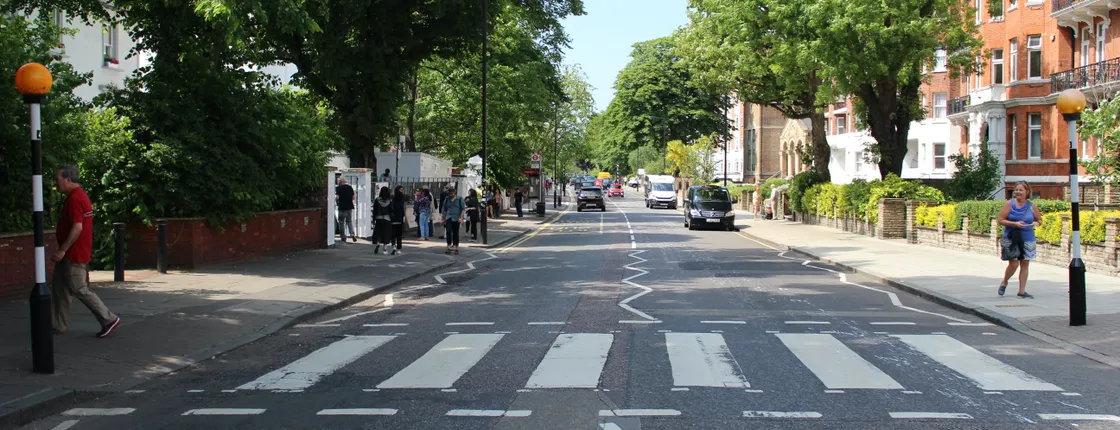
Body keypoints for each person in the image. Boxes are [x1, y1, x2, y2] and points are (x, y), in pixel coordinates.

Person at [51, 166, 120, 338]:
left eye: (57, 179)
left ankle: (108, 319)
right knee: (60, 288)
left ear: (68, 180)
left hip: (74, 254)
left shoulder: (75, 198)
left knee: (79, 288)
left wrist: (62, 249)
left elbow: (77, 227)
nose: (55, 183)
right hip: (71, 253)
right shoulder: (76, 196)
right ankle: (58, 325)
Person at [998, 181, 1043, 299]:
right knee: (1013, 264)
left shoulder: (1032, 206)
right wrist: (1014, 223)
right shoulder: (1009, 204)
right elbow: (1001, 220)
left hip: (1028, 238)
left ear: (1027, 192)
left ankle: (1022, 291)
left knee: (1025, 263)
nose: (1018, 192)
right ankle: (1005, 281)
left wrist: (1035, 223)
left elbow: (1039, 220)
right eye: (1016, 190)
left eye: (1020, 190)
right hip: (1011, 237)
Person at [442, 188, 466, 254]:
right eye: (449, 193)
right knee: (448, 231)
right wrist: (443, 218)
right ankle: (449, 245)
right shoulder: (447, 199)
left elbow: (463, 209)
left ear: (455, 192)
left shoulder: (459, 199)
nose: (450, 194)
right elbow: (444, 209)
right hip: (449, 217)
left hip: (457, 217)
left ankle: (456, 245)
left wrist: (461, 218)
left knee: (455, 232)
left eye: (452, 193)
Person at [372, 186, 393, 255]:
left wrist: (373, 218)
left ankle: (378, 243)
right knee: (386, 234)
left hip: (378, 218)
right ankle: (385, 249)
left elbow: (374, 210)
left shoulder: (377, 200)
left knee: (378, 232)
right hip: (387, 219)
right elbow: (391, 211)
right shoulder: (390, 201)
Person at [335, 176, 356, 242]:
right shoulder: (350, 187)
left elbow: (337, 197)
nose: (337, 182)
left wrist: (337, 202)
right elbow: (353, 198)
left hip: (342, 207)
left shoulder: (338, 188)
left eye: (338, 181)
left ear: (340, 181)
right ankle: (352, 234)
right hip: (349, 207)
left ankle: (343, 237)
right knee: (349, 221)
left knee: (341, 222)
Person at [390, 186, 406, 255]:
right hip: (399, 219)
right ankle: (399, 249)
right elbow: (403, 210)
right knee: (399, 235)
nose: (402, 191)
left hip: (393, 220)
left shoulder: (393, 199)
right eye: (401, 189)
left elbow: (391, 209)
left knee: (393, 235)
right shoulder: (402, 200)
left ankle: (394, 246)